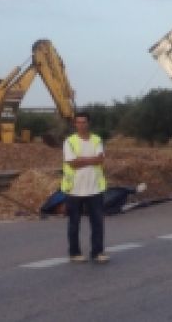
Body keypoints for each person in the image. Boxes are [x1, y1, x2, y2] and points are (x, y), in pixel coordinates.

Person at [61, 112, 109, 263]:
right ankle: (74, 253)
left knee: (97, 223)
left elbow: (100, 160)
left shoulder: (97, 140)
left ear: (89, 123)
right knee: (74, 223)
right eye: (78, 122)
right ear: (75, 124)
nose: (81, 125)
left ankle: (97, 252)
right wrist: (91, 160)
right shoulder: (69, 141)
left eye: (84, 122)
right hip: (75, 189)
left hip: (94, 188)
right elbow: (72, 163)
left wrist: (81, 159)